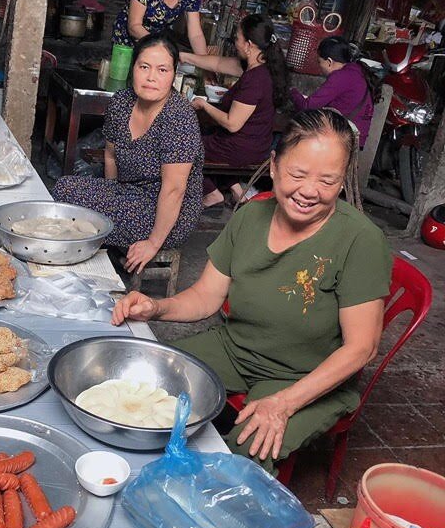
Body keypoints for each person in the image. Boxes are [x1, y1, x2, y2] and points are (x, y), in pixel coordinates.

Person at [112, 108, 392, 472]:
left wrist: (285, 403)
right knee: (143, 382)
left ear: (342, 181)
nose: (310, 191)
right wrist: (155, 307)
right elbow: (206, 297)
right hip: (236, 348)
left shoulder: (361, 240)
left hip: (306, 377)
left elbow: (362, 348)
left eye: (328, 180)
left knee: (241, 457)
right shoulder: (250, 216)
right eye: (298, 174)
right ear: (274, 166)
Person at [53, 33, 204, 274]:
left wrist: (153, 243)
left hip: (166, 211)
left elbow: (174, 190)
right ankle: (105, 245)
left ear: (173, 75)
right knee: (64, 188)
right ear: (132, 67)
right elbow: (111, 156)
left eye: (162, 70)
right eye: (144, 67)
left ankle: (100, 247)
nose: (151, 77)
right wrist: (110, 193)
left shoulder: (179, 118)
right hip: (128, 192)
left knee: (78, 211)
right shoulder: (121, 103)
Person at [181, 13, 289, 207]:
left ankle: (212, 193)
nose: (235, 43)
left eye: (237, 39)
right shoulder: (262, 67)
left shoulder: (255, 79)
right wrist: (182, 56)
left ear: (249, 45)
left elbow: (232, 123)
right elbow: (217, 63)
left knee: (182, 145)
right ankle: (238, 192)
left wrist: (203, 104)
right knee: (205, 135)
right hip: (256, 144)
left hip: (241, 148)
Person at [291, 37, 380, 146]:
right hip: (355, 138)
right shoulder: (356, 70)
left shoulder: (340, 77)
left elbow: (307, 106)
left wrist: (292, 92)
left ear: (329, 61)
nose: (320, 67)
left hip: (344, 140)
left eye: (319, 62)